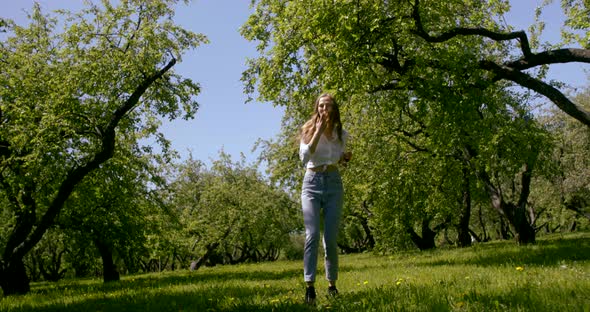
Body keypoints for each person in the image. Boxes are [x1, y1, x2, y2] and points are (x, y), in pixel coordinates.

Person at [298, 93, 352, 305]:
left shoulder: (341, 132)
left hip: (333, 183)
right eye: (321, 106)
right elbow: (304, 157)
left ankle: (332, 284)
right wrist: (318, 131)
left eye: (328, 106)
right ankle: (309, 287)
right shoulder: (308, 129)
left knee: (330, 238)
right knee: (312, 234)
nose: (324, 109)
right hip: (311, 183)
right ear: (317, 109)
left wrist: (345, 158)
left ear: (334, 109)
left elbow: (339, 156)